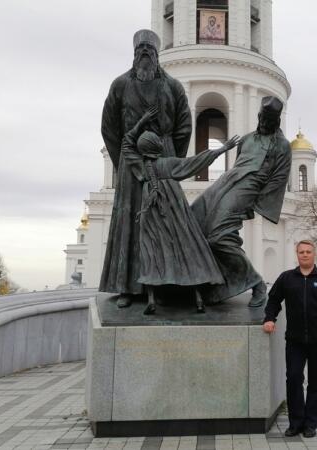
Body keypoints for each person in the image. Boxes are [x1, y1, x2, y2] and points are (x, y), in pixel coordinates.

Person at [99, 29, 192, 308]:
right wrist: (124, 160)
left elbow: (184, 126)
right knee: (130, 223)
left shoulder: (173, 86)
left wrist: (170, 156)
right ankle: (127, 287)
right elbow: (109, 127)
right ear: (134, 54)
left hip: (162, 157)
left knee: (165, 221)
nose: (145, 54)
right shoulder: (119, 85)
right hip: (130, 162)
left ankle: (164, 284)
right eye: (140, 50)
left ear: (157, 54)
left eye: (149, 50)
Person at [120, 110, 240, 314]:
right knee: (188, 249)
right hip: (176, 212)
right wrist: (223, 149)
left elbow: (126, 144)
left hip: (152, 213)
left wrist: (141, 122)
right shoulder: (170, 164)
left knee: (151, 253)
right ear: (158, 146)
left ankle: (151, 299)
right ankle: (198, 298)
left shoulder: (141, 166)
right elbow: (196, 162)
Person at [191, 96, 291, 307]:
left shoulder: (282, 145)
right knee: (192, 222)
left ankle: (256, 283)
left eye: (268, 122)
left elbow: (279, 178)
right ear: (258, 116)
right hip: (226, 183)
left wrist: (257, 202)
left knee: (218, 238)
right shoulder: (247, 139)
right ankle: (208, 283)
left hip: (249, 189)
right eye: (262, 119)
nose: (264, 124)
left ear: (276, 122)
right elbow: (238, 164)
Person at [262, 240, 317, 438]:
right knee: (293, 378)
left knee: (316, 382)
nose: (305, 255)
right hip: (295, 341)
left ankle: (310, 424)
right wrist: (269, 319)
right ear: (297, 255)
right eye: (301, 252)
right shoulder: (287, 278)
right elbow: (273, 299)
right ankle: (295, 423)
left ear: (314, 254)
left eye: (308, 252)